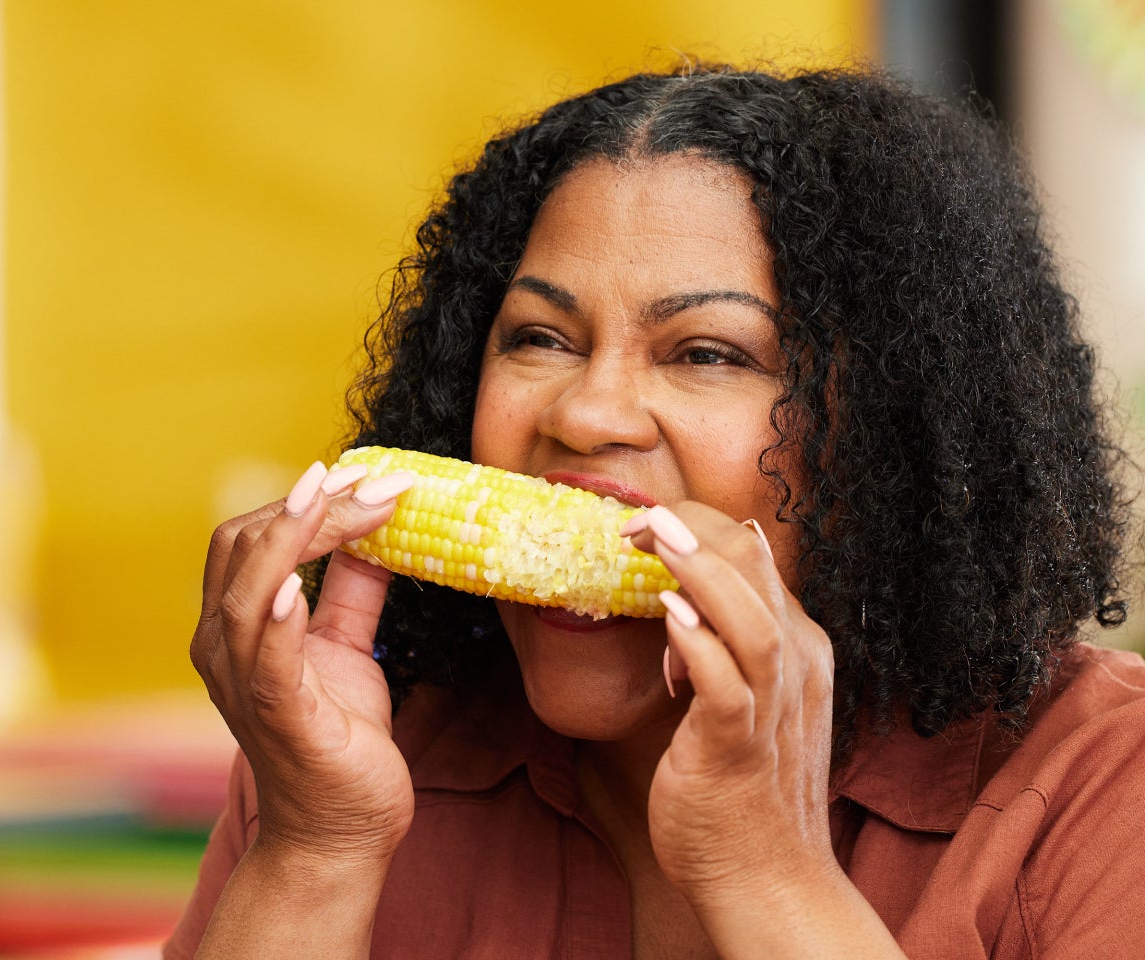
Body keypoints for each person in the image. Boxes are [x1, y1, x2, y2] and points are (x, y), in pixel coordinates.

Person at [169, 63, 1145, 959]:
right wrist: (314, 853)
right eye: (541, 337)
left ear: (893, 436)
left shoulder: (1104, 787)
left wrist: (770, 873)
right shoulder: (336, 755)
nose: (584, 414)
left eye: (707, 353)